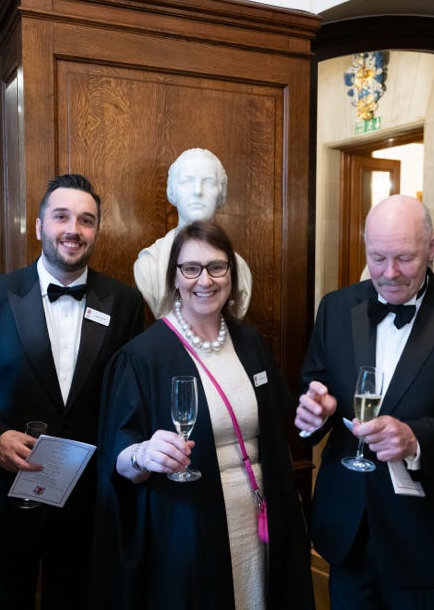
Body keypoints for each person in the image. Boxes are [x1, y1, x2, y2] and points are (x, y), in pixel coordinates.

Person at [295, 194, 434, 610]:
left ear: (432, 248)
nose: (389, 273)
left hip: (428, 540)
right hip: (348, 529)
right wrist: (316, 413)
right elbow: (314, 387)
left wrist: (414, 439)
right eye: (377, 258)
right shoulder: (335, 308)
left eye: (405, 258)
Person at [94, 220, 314, 609]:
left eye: (217, 267)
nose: (205, 280)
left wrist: (316, 410)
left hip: (260, 516)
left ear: (231, 273)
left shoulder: (250, 342)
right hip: (189, 530)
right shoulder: (142, 357)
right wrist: (143, 454)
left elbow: (282, 425)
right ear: (174, 278)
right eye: (191, 268)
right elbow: (118, 460)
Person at [0, 173, 145, 609]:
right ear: (39, 226)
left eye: (86, 220)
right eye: (61, 216)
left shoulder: (125, 303)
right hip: (5, 495)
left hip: (87, 500)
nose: (74, 229)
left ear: (96, 230)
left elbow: (129, 397)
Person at [133, 148, 253, 318]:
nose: (198, 191)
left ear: (221, 194)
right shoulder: (149, 265)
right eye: (187, 181)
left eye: (208, 182)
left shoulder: (240, 269)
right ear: (172, 192)